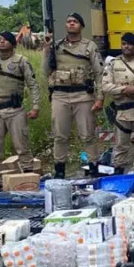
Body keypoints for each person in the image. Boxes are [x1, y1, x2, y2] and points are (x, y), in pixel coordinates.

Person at [43, 12, 103, 179]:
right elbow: (46, 71)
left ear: (81, 26)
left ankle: (93, 168)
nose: (71, 24)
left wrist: (100, 98)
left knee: (87, 135)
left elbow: (99, 73)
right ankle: (59, 170)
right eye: (68, 21)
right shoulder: (56, 46)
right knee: (60, 136)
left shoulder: (89, 47)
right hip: (60, 95)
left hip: (83, 95)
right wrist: (46, 49)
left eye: (75, 21)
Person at [0, 31, 41, 176]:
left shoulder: (21, 61)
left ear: (12, 43)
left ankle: (29, 175)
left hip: (14, 110)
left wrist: (36, 106)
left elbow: (33, 84)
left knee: (22, 146)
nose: (1, 42)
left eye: (4, 39)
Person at [100, 32, 134, 180]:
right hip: (122, 111)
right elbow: (105, 86)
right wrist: (124, 90)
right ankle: (118, 177)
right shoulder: (113, 64)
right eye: (124, 44)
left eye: (129, 44)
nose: (126, 47)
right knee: (120, 146)